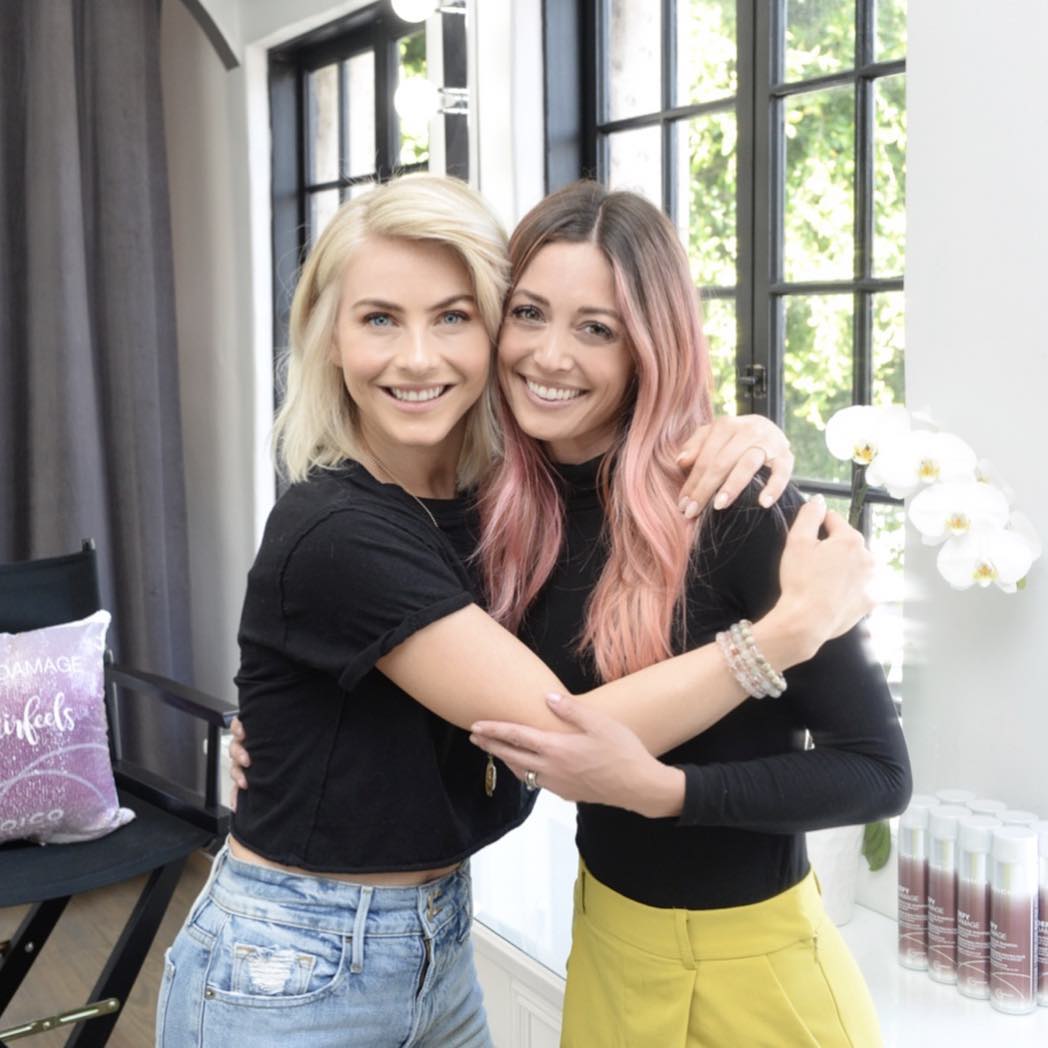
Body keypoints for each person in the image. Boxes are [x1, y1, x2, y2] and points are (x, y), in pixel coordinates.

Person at [181, 173, 876, 1048]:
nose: (420, 358)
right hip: (302, 959)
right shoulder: (342, 527)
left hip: (443, 945)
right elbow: (564, 731)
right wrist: (781, 636)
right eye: (379, 319)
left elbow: (875, 767)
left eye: (454, 316)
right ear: (326, 337)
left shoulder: (505, 506)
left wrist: (758, 436)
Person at [465, 181, 911, 1046]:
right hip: (606, 943)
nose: (550, 356)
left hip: (760, 974)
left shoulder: (729, 503)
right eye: (529, 313)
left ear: (647, 346)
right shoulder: (504, 507)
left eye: (596, 328)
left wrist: (667, 793)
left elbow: (877, 771)